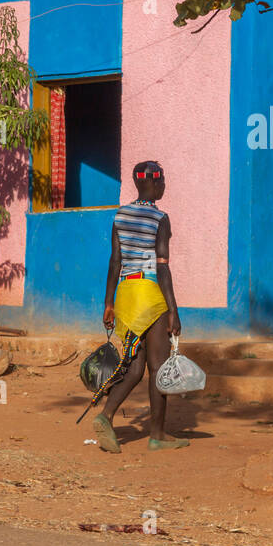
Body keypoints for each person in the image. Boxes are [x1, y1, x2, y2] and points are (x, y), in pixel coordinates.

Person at [92, 160, 188, 452]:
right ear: (154, 183)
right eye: (162, 182)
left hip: (126, 293)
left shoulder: (121, 215)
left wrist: (109, 302)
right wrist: (173, 309)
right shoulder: (160, 218)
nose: (164, 186)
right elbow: (162, 268)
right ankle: (157, 435)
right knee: (158, 366)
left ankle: (106, 415)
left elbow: (114, 261)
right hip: (149, 291)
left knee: (134, 366)